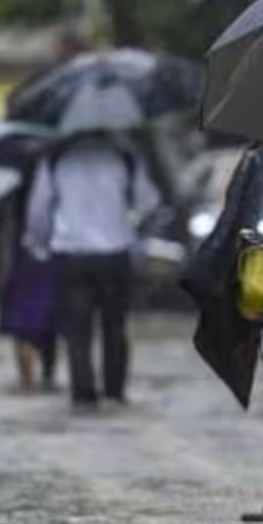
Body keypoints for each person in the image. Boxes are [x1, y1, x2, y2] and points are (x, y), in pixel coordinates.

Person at [25, 133, 160, 410]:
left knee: (77, 329)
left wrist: (39, 245)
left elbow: (39, 209)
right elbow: (148, 202)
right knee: (115, 326)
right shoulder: (125, 156)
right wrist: (128, 219)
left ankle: (83, 392)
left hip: (73, 254)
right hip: (116, 251)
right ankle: (113, 390)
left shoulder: (56, 159)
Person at [0, 166, 58, 394]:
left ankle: (27, 379)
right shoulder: (52, 176)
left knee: (22, 324)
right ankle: (45, 376)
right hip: (45, 257)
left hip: (21, 260)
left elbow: (2, 230)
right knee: (46, 321)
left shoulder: (9, 188)